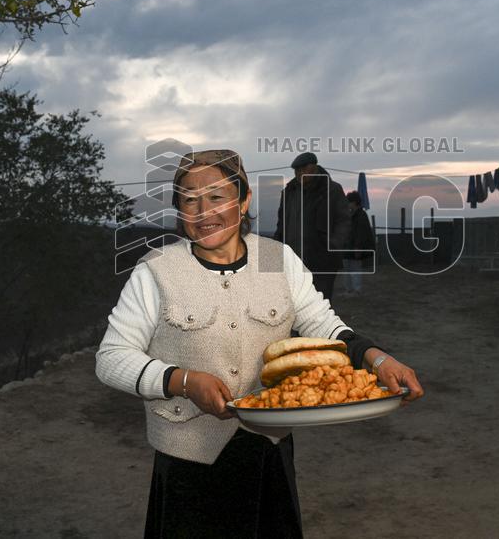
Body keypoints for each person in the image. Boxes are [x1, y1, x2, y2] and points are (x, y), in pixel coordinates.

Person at [95, 149, 424, 538]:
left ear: (244, 199)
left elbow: (322, 323)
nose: (203, 211)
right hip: (188, 463)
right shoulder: (156, 270)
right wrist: (180, 381)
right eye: (189, 199)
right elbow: (111, 358)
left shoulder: (278, 258)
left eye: (216, 197)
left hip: (268, 453)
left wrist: (376, 358)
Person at [273, 152, 351, 300]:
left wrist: (333, 244)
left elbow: (343, 221)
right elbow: (282, 223)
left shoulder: (332, 190)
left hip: (322, 261)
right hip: (294, 260)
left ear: (314, 168)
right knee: (294, 301)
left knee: (320, 302)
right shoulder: (289, 192)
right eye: (297, 170)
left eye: (303, 169)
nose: (299, 173)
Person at [341, 190, 375, 297]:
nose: (347, 204)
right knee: (347, 268)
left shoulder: (360, 215)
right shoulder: (352, 214)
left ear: (354, 202)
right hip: (348, 247)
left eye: (349, 202)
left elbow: (361, 233)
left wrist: (358, 247)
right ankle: (349, 290)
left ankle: (356, 290)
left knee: (355, 268)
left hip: (354, 247)